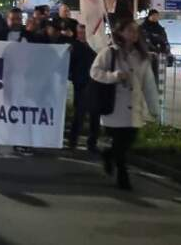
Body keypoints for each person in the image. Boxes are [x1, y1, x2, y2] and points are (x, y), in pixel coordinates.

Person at [90, 18, 158, 190]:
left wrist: (154, 108)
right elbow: (95, 71)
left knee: (126, 142)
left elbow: (148, 83)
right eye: (129, 30)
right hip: (115, 107)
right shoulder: (110, 52)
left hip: (134, 108)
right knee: (120, 145)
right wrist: (114, 76)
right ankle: (122, 176)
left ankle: (108, 155)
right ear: (120, 32)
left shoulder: (142, 56)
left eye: (135, 31)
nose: (134, 34)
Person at [68, 23, 100, 151]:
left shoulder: (96, 46)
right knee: (79, 115)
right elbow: (70, 65)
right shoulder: (74, 47)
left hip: (95, 84)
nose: (82, 35)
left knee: (95, 115)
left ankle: (92, 143)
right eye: (80, 33)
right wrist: (73, 78)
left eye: (84, 32)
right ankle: (73, 141)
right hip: (81, 84)